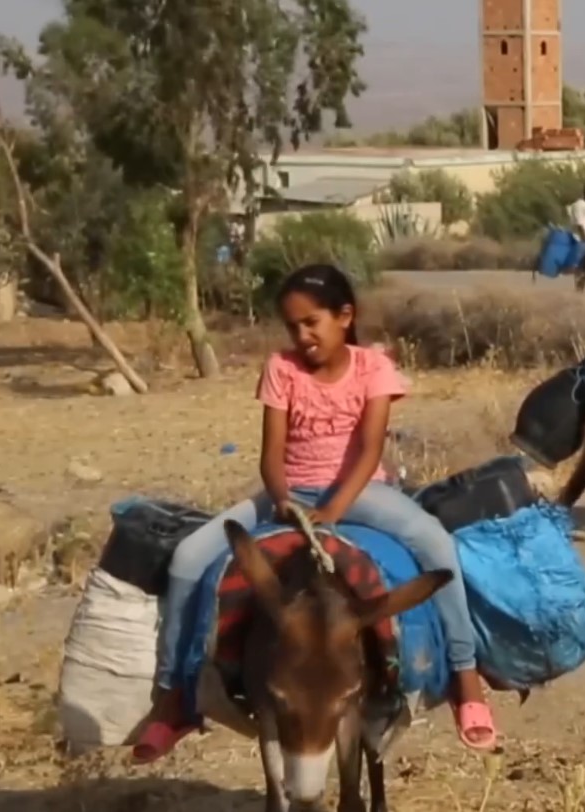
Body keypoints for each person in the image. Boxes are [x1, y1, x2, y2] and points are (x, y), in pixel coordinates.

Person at [132, 264, 496, 763]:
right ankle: (174, 697)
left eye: (311, 323)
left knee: (436, 545)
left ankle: (465, 677)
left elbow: (369, 451)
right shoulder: (281, 370)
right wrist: (282, 500)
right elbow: (271, 455)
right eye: (292, 326)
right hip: (290, 491)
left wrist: (332, 510)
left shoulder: (373, 369)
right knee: (189, 558)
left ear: (345, 316)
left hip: (359, 490)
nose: (301, 336)